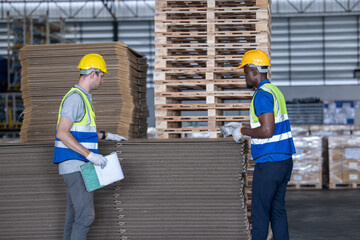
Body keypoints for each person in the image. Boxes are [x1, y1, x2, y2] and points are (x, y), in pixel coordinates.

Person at [221, 50, 296, 240]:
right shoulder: (274, 91)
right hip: (284, 161)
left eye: (245, 71)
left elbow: (267, 130)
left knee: (260, 214)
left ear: (254, 71)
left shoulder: (262, 95)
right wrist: (242, 126)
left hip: (270, 163)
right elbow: (269, 126)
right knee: (277, 210)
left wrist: (242, 132)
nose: (244, 76)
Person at [54, 53, 128, 240]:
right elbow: (62, 132)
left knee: (74, 216)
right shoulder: (76, 98)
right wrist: (90, 155)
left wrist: (106, 135)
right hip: (77, 165)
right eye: (102, 76)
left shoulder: (84, 98)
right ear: (93, 74)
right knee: (86, 216)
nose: (102, 81)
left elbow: (80, 133)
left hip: (83, 165)